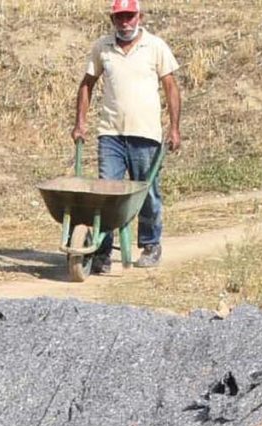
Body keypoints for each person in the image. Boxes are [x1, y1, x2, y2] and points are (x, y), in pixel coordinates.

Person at [71, 0, 181, 272]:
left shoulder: (155, 46)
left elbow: (171, 87)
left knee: (146, 193)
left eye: (130, 17)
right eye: (119, 18)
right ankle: (102, 253)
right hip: (111, 135)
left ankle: (150, 244)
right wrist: (80, 123)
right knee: (106, 196)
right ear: (112, 20)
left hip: (146, 135)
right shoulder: (102, 48)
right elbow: (86, 85)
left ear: (139, 17)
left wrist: (174, 127)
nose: (125, 22)